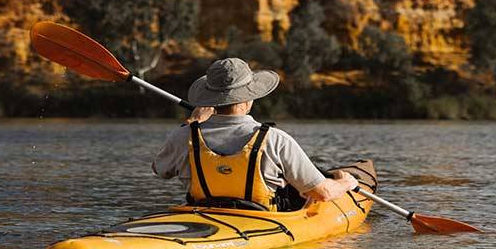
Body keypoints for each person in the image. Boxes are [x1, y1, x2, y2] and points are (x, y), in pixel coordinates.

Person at [152, 58, 358, 212]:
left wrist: (191, 123)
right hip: (261, 221)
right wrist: (347, 183)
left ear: (210, 98)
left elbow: (160, 170)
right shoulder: (277, 140)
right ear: (249, 98)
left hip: (201, 217)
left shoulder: (183, 135)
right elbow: (322, 193)